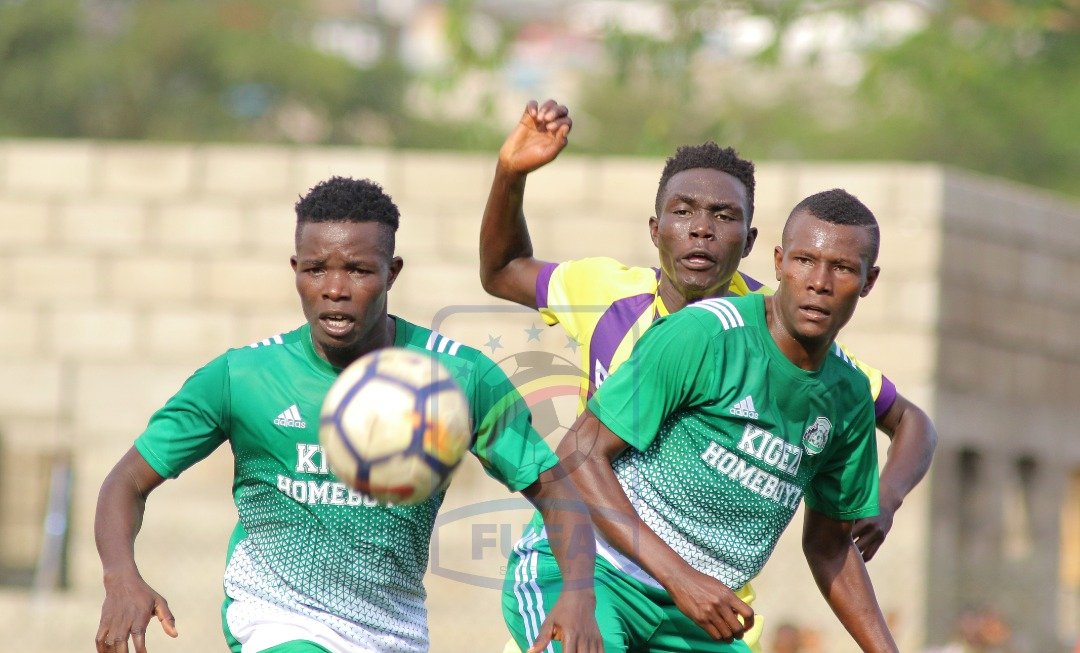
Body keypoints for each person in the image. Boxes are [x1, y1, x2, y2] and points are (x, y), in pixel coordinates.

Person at [94, 177, 603, 653]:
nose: (334, 288)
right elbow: (126, 481)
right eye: (317, 269)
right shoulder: (243, 376)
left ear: (392, 273)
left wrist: (579, 591)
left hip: (394, 629)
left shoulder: (459, 377)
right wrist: (121, 577)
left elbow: (557, 491)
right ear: (295, 270)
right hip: (277, 619)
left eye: (358, 270)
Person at [480, 100, 937, 565]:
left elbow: (911, 421)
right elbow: (502, 271)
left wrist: (889, 493)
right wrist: (510, 174)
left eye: (723, 216)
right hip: (591, 562)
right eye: (684, 212)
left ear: (753, 242)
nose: (702, 230)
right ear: (656, 230)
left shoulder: (778, 329)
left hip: (707, 582)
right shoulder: (606, 293)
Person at [505, 188, 901, 652]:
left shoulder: (849, 396)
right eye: (804, 261)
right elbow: (577, 454)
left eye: (843, 268)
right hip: (587, 576)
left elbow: (831, 545)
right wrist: (681, 578)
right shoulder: (705, 334)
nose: (819, 282)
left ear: (869, 280)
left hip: (693, 618)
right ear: (778, 262)